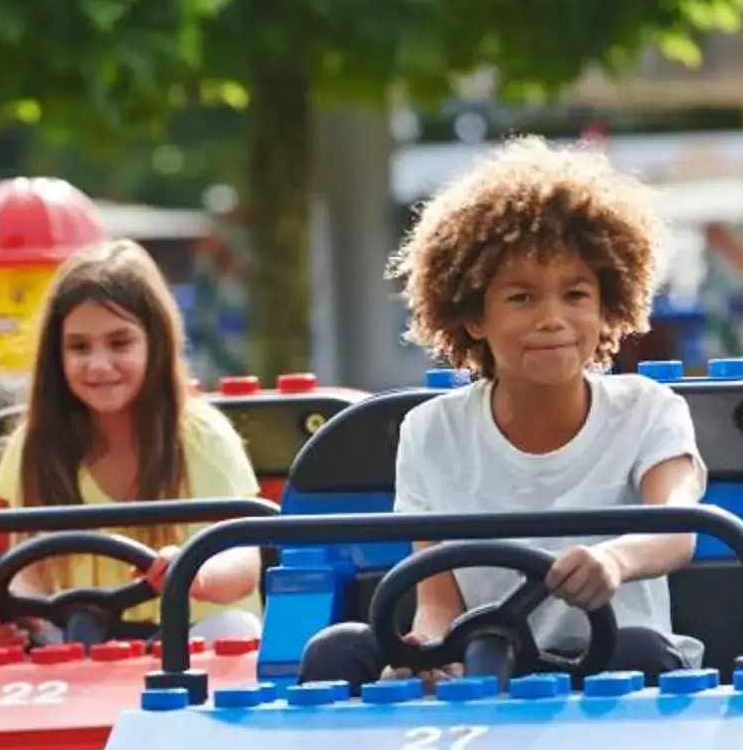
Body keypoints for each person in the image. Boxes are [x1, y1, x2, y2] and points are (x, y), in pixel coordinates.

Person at [296, 139, 707, 691]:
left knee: (637, 651)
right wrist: (428, 653)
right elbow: (436, 601)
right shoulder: (431, 430)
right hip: (485, 659)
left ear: (607, 304)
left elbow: (678, 530)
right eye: (522, 298)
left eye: (576, 295)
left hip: (610, 667)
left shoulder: (649, 410)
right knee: (337, 650)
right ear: (472, 317)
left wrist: (613, 561)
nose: (553, 319)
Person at [0, 240, 263, 653]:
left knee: (235, 629)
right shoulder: (33, 443)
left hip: (178, 647)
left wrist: (193, 573)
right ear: (55, 356)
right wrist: (19, 619)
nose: (98, 364)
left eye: (119, 343)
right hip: (69, 643)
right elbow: (29, 567)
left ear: (156, 343)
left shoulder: (201, 436)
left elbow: (243, 559)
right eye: (79, 347)